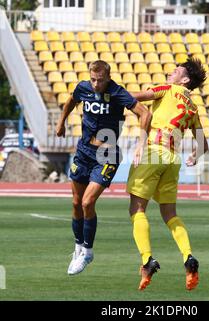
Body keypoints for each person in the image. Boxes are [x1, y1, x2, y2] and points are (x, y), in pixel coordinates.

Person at [56, 60, 151, 275]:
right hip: (83, 152)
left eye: (100, 80)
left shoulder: (118, 93)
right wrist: (61, 122)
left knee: (88, 202)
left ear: (108, 77)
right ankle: (78, 246)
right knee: (76, 203)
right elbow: (71, 101)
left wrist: (140, 143)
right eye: (93, 79)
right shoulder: (83, 88)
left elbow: (145, 113)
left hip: (107, 154)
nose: (96, 84)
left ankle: (88, 252)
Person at [127, 58, 208, 291]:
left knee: (137, 208)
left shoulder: (167, 89)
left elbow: (136, 98)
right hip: (173, 159)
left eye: (177, 70)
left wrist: (112, 94)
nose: (172, 71)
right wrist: (195, 156)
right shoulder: (192, 107)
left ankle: (147, 259)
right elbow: (204, 144)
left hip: (154, 150)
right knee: (170, 214)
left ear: (185, 80)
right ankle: (188, 256)